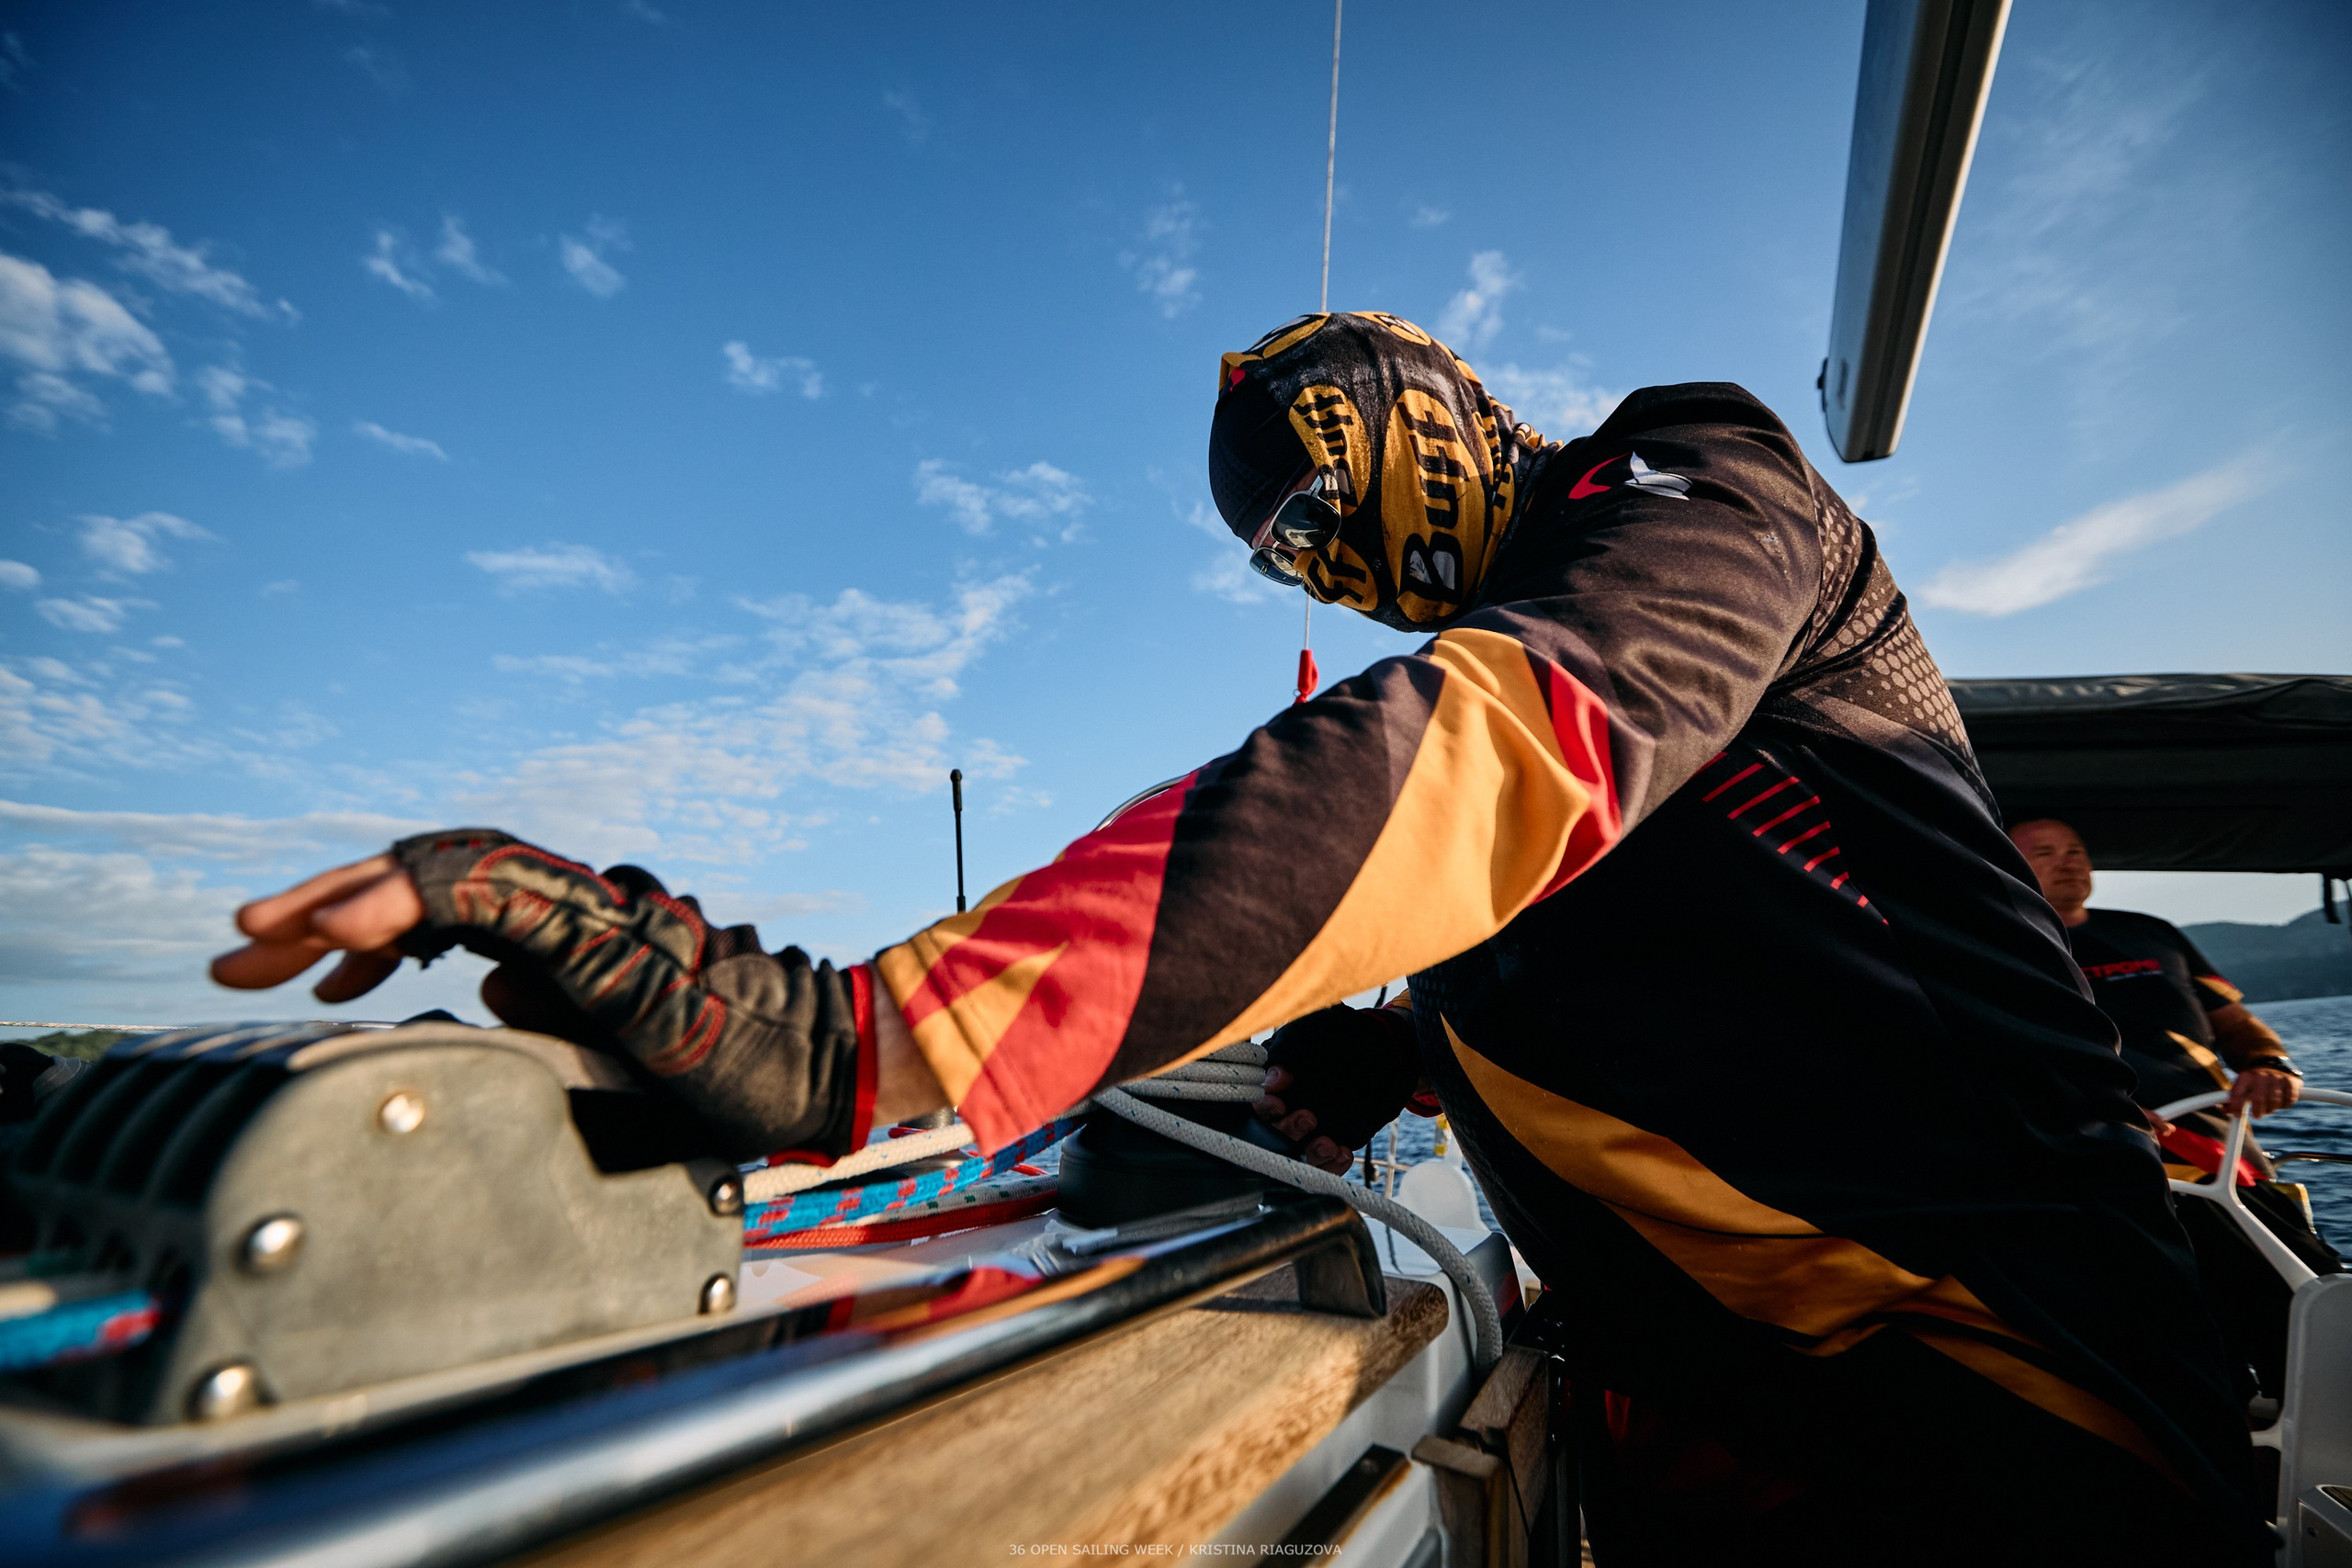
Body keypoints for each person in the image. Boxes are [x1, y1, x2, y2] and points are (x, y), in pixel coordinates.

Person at [215, 313, 2267, 1563]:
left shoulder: (1712, 495)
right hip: (1731, 1432)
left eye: (1329, 478)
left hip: (2021, 1422)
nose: (1333, 552)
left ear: (1436, 398)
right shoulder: (1535, 724)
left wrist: (858, 1039)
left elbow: (1490, 755)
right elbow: (1574, 917)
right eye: (1284, 543)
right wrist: (1397, 1054)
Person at [2009, 816, 2337, 1395]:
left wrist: (2269, 1063)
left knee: (2311, 1287)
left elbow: (2235, 1024)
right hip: (2116, 1163)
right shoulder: (2002, 948)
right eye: (2046, 852)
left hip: (2226, 1152)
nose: (2069, 862)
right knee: (2202, 1324)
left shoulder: (2151, 932)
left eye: (2078, 850)